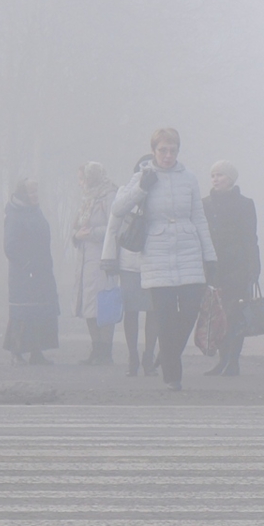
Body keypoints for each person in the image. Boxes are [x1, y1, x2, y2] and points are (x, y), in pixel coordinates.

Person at [111, 128, 217, 390]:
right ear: (154, 151)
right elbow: (118, 208)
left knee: (190, 311)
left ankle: (167, 354)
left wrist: (210, 256)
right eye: (163, 150)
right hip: (156, 255)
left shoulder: (189, 178)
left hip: (188, 252)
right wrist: (141, 189)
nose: (168, 155)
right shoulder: (142, 176)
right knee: (166, 317)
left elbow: (199, 217)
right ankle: (173, 376)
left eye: (173, 150)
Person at [202, 160, 261, 376]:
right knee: (217, 314)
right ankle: (222, 360)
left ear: (231, 179)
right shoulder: (205, 204)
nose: (215, 179)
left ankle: (233, 361)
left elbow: (250, 237)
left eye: (220, 175)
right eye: (213, 175)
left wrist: (254, 266)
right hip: (213, 267)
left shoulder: (245, 204)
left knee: (235, 314)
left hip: (238, 266)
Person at [102, 155, 157, 376]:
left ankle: (148, 356)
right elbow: (113, 224)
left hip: (156, 261)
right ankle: (133, 356)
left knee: (154, 311)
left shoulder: (164, 193)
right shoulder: (127, 191)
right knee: (131, 311)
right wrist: (109, 259)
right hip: (130, 261)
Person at [2, 178, 59, 365]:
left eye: (36, 192)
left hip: (41, 272)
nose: (35, 196)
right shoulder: (14, 215)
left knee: (39, 312)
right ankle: (16, 353)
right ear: (23, 194)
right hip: (23, 275)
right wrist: (27, 265)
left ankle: (36, 352)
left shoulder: (35, 212)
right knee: (22, 314)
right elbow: (10, 247)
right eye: (31, 192)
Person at [72, 162, 118, 365]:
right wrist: (76, 235)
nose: (80, 183)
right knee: (88, 304)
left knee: (104, 303)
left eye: (83, 178)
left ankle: (106, 351)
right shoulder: (87, 198)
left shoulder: (109, 195)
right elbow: (76, 226)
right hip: (85, 258)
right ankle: (96, 349)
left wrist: (90, 233)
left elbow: (114, 226)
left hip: (103, 257)